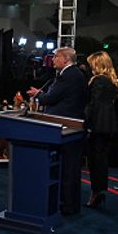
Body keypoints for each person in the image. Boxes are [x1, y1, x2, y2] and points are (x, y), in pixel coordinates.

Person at [27, 47, 87, 215]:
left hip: (64, 126)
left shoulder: (67, 76)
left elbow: (50, 99)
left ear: (66, 59)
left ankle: (66, 205)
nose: (52, 60)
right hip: (71, 126)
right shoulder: (76, 74)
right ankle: (70, 204)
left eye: (55, 57)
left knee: (67, 168)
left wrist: (38, 95)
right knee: (71, 168)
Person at [84, 51, 118, 208]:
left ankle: (96, 192)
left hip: (98, 125)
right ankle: (98, 192)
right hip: (108, 124)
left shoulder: (98, 81)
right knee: (101, 159)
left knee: (95, 160)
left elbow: (94, 105)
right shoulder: (110, 81)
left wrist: (88, 124)